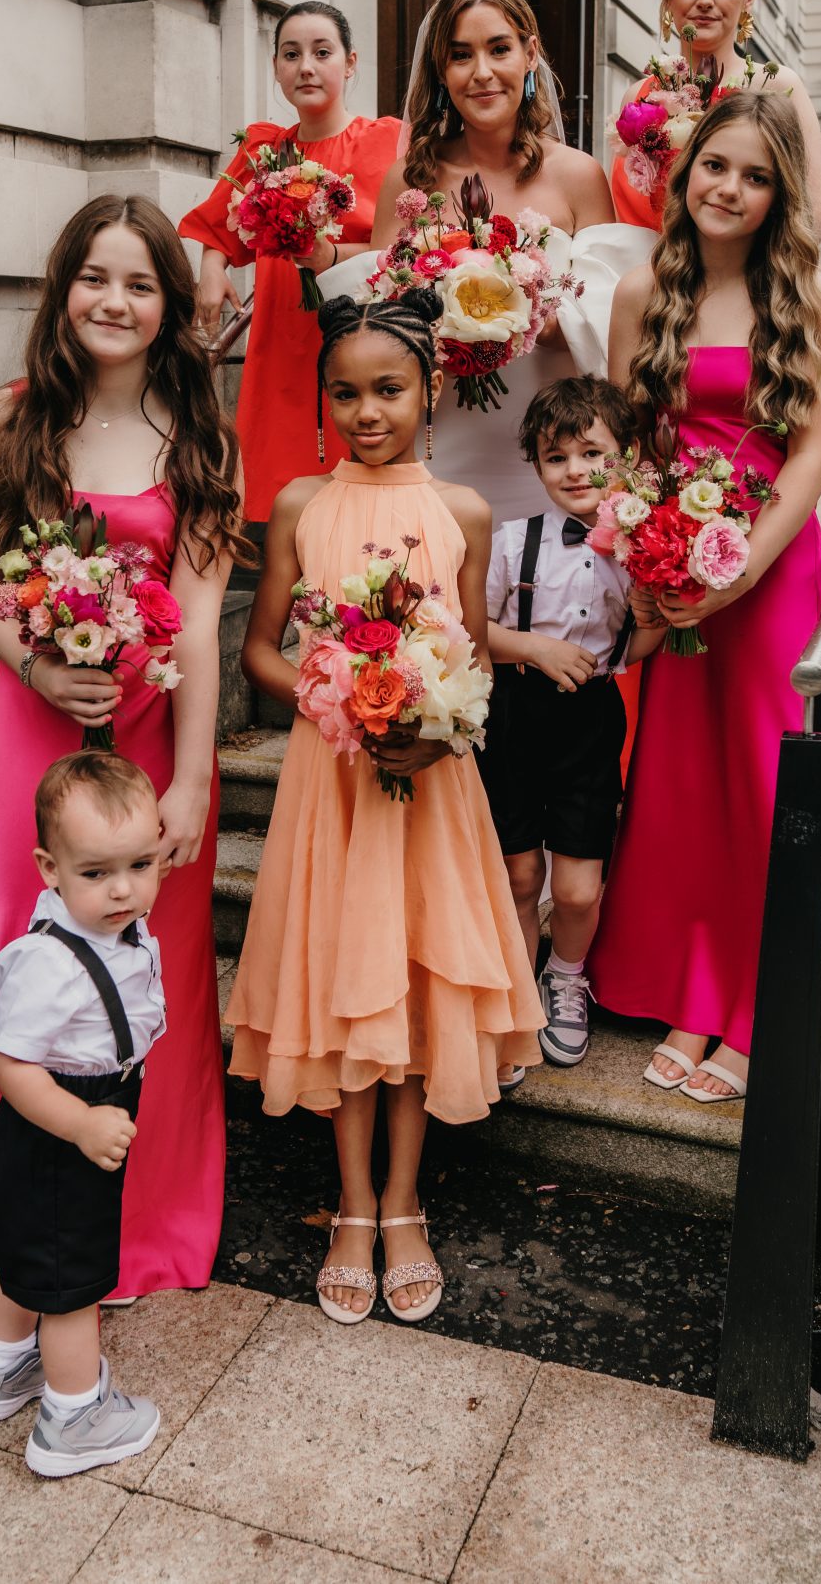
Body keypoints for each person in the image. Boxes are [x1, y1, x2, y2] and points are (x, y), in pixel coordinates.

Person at [0, 194, 244, 1305]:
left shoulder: (200, 437)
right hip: (35, 733)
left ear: (171, 307)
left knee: (153, 977)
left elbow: (200, 621)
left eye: (140, 283)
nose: (114, 301)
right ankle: (13, 1229)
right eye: (94, 277)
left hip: (156, 737)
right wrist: (29, 662)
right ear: (63, 288)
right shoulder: (8, 419)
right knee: (38, 973)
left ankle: (149, 1220)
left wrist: (196, 776)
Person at [226, 288, 544, 1325]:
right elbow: (261, 650)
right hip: (337, 781)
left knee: (413, 984)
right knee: (346, 982)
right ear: (324, 399)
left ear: (432, 389)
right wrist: (333, 702)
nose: (367, 413)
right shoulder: (299, 505)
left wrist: (436, 712)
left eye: (389, 391)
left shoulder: (463, 514)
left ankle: (406, 1203)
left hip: (432, 787)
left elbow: (478, 653)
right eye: (346, 394)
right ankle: (352, 1204)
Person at [587, 92, 821, 1102]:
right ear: (686, 168)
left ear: (778, 192)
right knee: (685, 789)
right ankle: (692, 990)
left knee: (761, 783)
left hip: (770, 567)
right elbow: (626, 438)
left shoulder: (812, 298)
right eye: (716, 167)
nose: (730, 190)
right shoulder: (639, 292)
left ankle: (762, 1004)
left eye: (754, 176)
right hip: (671, 572)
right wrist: (654, 565)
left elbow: (818, 448)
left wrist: (739, 565)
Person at [319, 0, 645, 529]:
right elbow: (376, 328)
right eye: (461, 56)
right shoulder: (409, 180)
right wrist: (444, 317)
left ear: (530, 53)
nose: (482, 72)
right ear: (442, 72)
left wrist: (520, 314)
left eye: (499, 48)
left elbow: (610, 318)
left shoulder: (578, 176)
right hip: (441, 440)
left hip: (551, 448)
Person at [0, 752, 167, 1478]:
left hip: (77, 1117)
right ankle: (72, 1416)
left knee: (30, 1254)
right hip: (57, 1125)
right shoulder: (49, 961)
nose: (123, 889)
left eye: (141, 864)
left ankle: (2, 1369)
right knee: (70, 1278)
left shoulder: (112, 927)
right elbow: (9, 1063)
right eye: (95, 873)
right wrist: (80, 1125)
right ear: (49, 869)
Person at [479, 378, 663, 1071]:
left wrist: (649, 613)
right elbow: (474, 630)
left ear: (629, 457)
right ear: (535, 466)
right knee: (520, 872)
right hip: (514, 712)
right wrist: (533, 648)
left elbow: (636, 649)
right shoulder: (511, 541)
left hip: (590, 720)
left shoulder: (638, 548)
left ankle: (566, 976)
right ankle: (517, 1002)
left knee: (580, 885)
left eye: (593, 454)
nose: (575, 471)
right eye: (556, 458)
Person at [179, 1, 402, 521]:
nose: (306, 66)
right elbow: (222, 222)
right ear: (277, 67)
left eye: (322, 52)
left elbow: (403, 247)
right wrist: (213, 270)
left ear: (349, 62)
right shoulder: (263, 149)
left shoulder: (388, 142)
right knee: (279, 485)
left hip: (358, 333)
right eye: (291, 54)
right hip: (282, 337)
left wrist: (330, 255)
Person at [610, 0, 821, 237]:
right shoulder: (639, 96)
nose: (705, 0)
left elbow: (812, 217)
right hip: (645, 276)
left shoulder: (777, 86)